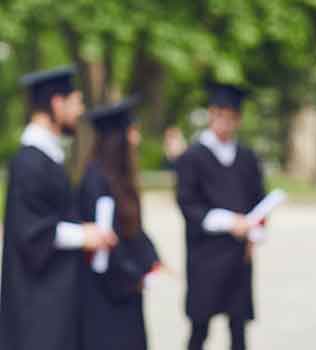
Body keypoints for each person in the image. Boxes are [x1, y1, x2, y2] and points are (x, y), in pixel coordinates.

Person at [0, 66, 117, 350]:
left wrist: (85, 231)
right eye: (76, 102)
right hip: (36, 305)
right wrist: (83, 236)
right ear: (56, 102)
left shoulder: (47, 156)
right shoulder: (29, 161)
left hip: (52, 299)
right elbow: (29, 231)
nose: (79, 111)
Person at [175, 82, 266, 350]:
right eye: (221, 115)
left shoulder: (247, 157)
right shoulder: (193, 157)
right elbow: (188, 204)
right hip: (206, 253)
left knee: (238, 326)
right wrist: (229, 222)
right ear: (211, 114)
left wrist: (254, 233)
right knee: (200, 325)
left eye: (232, 117)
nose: (226, 122)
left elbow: (258, 200)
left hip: (238, 254)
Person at [78, 98, 161, 350]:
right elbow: (106, 241)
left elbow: (132, 231)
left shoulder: (119, 180)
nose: (136, 139)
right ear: (117, 139)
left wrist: (151, 259)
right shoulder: (95, 180)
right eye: (131, 131)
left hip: (126, 293)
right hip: (105, 295)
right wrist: (135, 275)